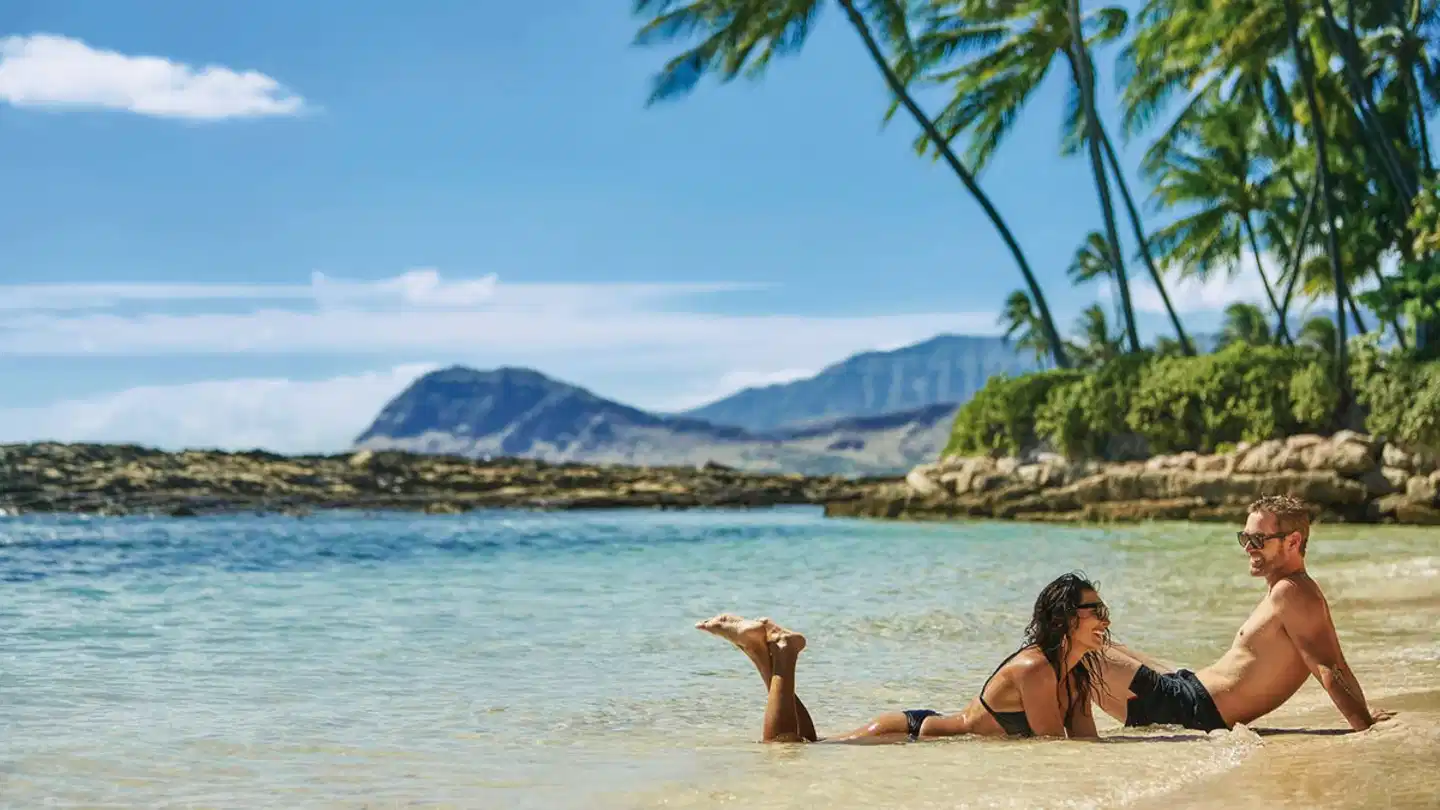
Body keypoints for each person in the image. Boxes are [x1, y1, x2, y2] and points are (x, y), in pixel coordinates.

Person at [1090, 494, 1395, 734]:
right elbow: (1336, 661)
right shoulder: (1291, 590)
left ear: (1293, 542)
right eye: (1244, 538)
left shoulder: (1292, 593)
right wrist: (1365, 715)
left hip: (1186, 712)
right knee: (1097, 641)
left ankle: (1051, 738)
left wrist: (1365, 730)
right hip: (1187, 689)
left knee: (1076, 650)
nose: (1248, 548)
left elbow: (1329, 666)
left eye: (1258, 540)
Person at [695, 572, 1111, 743]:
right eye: (1095, 611)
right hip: (911, 736)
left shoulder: (1075, 674)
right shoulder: (1035, 668)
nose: (1104, 620)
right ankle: (779, 656)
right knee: (785, 749)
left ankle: (761, 652)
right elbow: (1056, 749)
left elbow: (1086, 744)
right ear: (1063, 620)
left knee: (809, 746)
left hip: (929, 731)